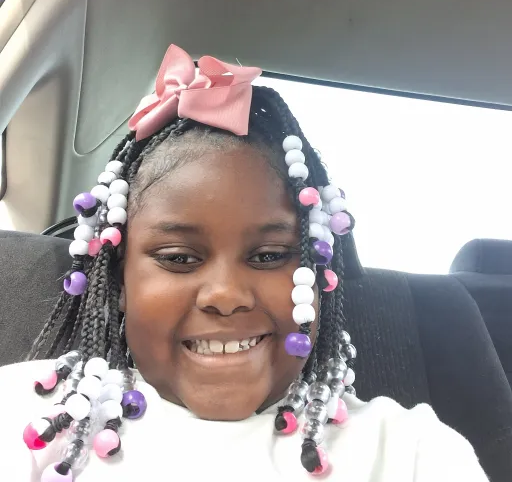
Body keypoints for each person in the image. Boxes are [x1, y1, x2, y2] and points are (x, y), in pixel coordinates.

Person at [0, 45, 488, 482]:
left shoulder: (409, 451)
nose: (226, 295)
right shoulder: (30, 416)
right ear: (119, 280)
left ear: (320, 274)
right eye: (178, 258)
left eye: (270, 256)